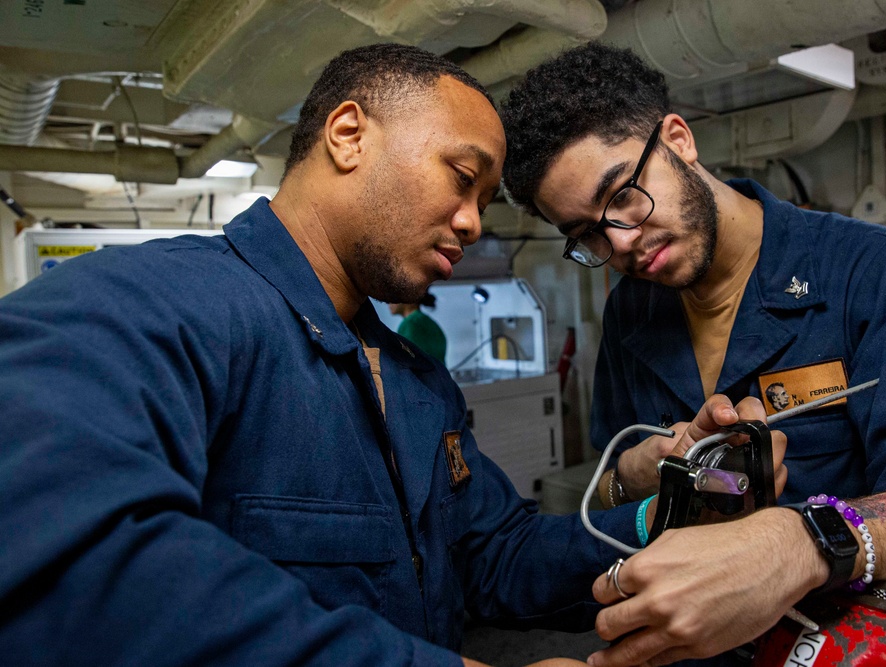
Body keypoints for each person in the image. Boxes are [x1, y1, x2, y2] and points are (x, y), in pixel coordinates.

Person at [0, 43, 664, 667]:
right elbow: (62, 554)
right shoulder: (150, 302)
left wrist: (656, 516)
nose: (471, 221)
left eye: (484, 202)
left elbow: (498, 555)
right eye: (463, 177)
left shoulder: (419, 384)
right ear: (347, 135)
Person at [500, 42, 886, 666]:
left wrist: (798, 543)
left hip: (842, 646)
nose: (622, 242)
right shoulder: (633, 309)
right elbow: (606, 488)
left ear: (678, 139)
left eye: (623, 195)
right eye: (588, 235)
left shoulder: (874, 272)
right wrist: (637, 473)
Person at [390, 292, 447, 363]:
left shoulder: (410, 323)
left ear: (408, 297)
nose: (389, 301)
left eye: (393, 296)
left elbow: (407, 359)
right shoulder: (431, 323)